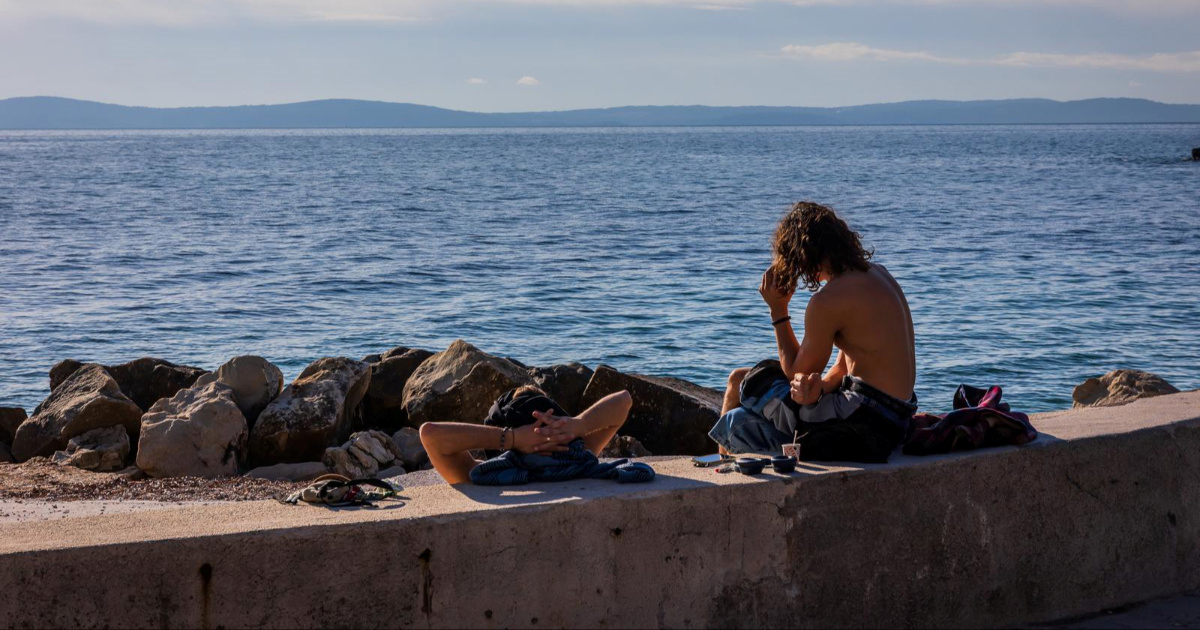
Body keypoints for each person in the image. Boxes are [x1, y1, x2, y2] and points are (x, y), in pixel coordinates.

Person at [709, 201, 918, 463]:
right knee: (740, 380)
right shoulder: (877, 274)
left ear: (801, 254)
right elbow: (844, 368)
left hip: (866, 421)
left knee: (745, 393)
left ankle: (723, 467)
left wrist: (778, 310)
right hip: (897, 417)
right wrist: (817, 391)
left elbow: (796, 372)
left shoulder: (828, 300)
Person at [419, 385, 637, 484]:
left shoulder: (481, 474)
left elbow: (430, 434)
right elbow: (624, 401)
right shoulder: (581, 458)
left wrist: (512, 438)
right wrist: (578, 425)